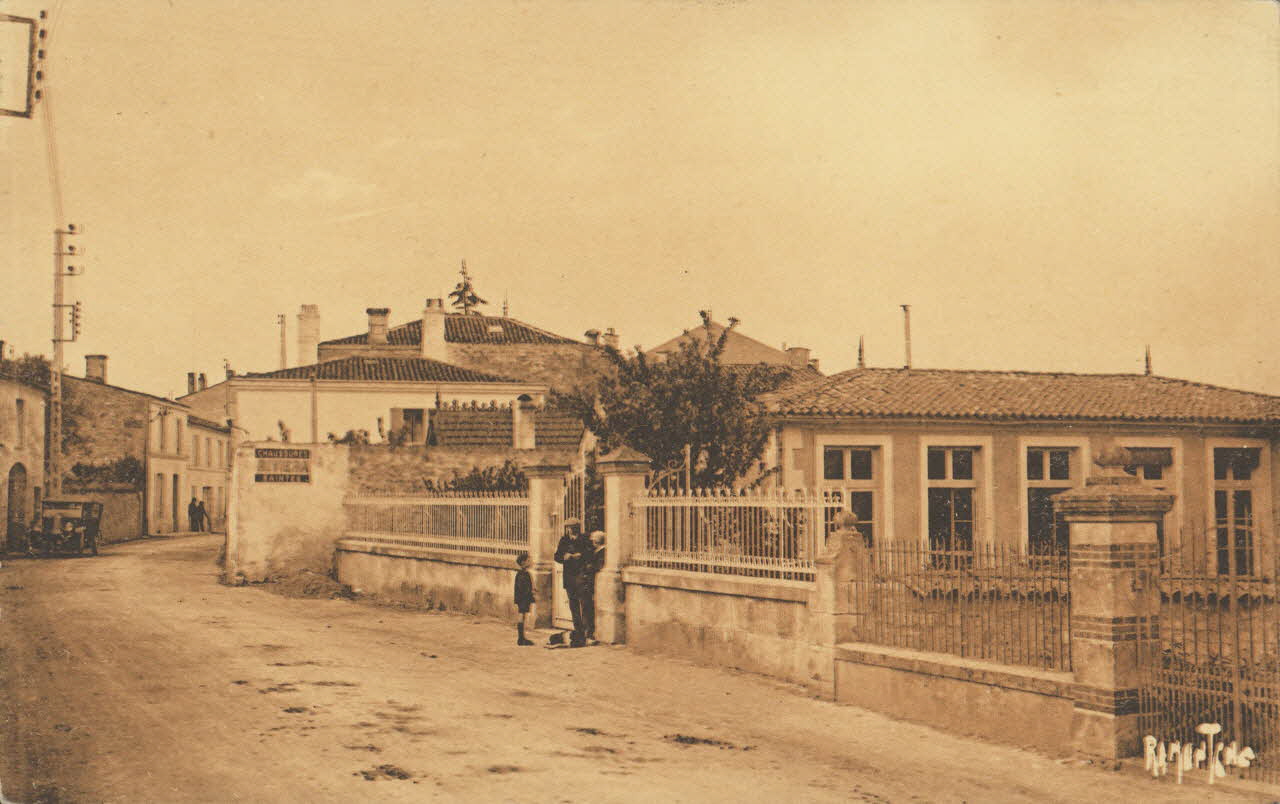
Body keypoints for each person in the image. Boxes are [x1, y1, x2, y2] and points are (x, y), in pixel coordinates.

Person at [553, 518, 593, 647]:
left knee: (585, 604)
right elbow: (557, 556)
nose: (571, 529)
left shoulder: (585, 539)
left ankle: (588, 632)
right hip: (569, 577)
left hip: (582, 575)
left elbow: (590, 554)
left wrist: (581, 555)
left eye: (574, 527)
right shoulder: (564, 541)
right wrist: (565, 557)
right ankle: (578, 631)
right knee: (573, 605)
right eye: (570, 527)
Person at [579, 531, 606, 644]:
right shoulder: (596, 551)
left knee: (588, 608)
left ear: (596, 541)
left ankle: (589, 632)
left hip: (591, 584)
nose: (592, 542)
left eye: (593, 540)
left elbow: (597, 567)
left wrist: (588, 568)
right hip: (588, 584)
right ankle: (586, 631)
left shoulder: (603, 552)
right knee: (586, 608)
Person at [513, 551, 535, 646]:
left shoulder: (524, 573)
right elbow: (523, 588)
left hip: (523, 597)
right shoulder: (522, 574)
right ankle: (521, 638)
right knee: (522, 615)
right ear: (523, 563)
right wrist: (530, 593)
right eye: (529, 560)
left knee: (523, 615)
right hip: (523, 598)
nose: (531, 562)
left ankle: (522, 637)